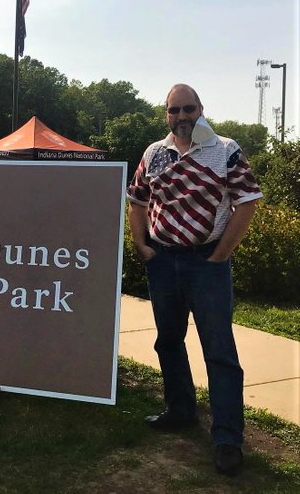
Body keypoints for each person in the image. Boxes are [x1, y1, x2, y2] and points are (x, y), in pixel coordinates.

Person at [127, 83, 262, 476]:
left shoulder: (224, 150)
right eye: (175, 110)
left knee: (219, 351)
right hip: (163, 260)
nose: (182, 116)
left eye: (188, 109)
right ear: (165, 114)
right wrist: (142, 245)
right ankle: (181, 410)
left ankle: (227, 439)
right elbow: (137, 200)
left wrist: (221, 256)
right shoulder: (154, 153)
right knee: (168, 341)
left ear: (200, 109)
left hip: (207, 262)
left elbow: (248, 201)